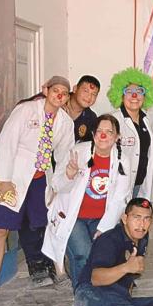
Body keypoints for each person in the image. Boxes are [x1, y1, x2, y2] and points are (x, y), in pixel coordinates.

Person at [0, 76, 75, 300]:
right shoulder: (26, 110)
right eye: (55, 90)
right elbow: (6, 143)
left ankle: (59, 272)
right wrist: (4, 179)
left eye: (64, 93)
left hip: (40, 180)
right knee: (1, 230)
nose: (59, 96)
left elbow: (64, 156)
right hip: (13, 178)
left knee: (46, 225)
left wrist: (61, 182)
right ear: (45, 89)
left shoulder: (65, 122)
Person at [43, 114, 131, 288]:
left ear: (117, 137)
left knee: (103, 255)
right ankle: (83, 293)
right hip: (72, 217)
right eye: (99, 131)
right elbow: (57, 185)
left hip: (101, 217)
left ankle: (101, 292)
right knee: (83, 253)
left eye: (109, 132)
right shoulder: (77, 152)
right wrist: (69, 174)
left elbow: (120, 198)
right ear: (93, 134)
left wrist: (103, 228)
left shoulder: (122, 160)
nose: (103, 136)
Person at [108, 67, 153, 199]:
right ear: (121, 95)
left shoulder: (146, 121)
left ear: (145, 95)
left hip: (139, 185)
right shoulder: (113, 120)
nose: (134, 96)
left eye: (139, 91)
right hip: (117, 186)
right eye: (128, 91)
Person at [66, 75, 100, 143]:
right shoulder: (58, 101)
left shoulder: (91, 118)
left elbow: (88, 145)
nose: (89, 97)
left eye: (94, 94)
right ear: (75, 89)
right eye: (86, 91)